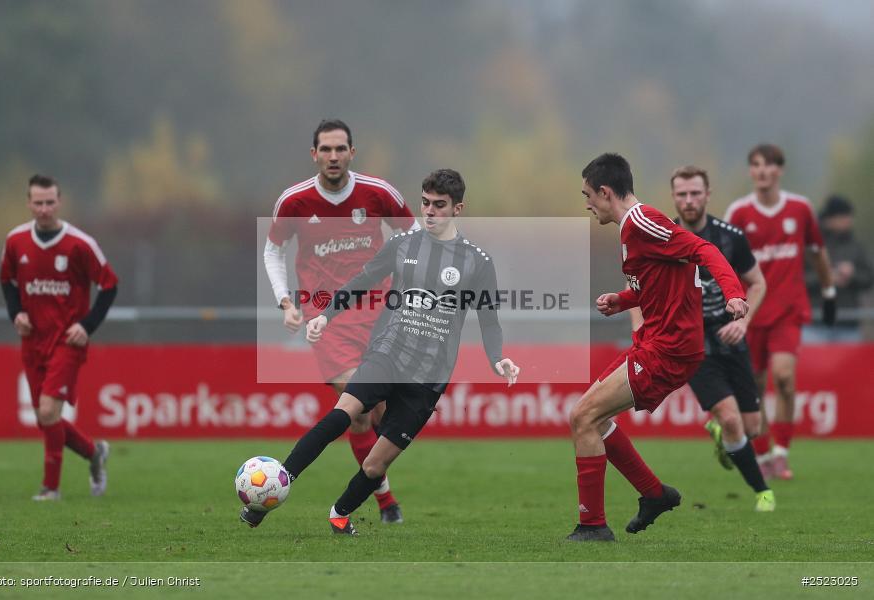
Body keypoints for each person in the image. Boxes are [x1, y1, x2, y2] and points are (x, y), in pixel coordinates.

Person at [244, 168, 520, 533]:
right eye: (425, 203)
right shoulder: (402, 244)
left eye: (440, 205)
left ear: (458, 208)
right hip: (387, 354)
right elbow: (361, 281)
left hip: (427, 379)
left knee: (375, 466)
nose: (430, 212)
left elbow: (489, 320)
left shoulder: (477, 262)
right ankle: (277, 484)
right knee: (343, 414)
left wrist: (497, 357)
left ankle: (339, 515)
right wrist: (326, 316)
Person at [568, 154, 748, 542]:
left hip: (669, 349)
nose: (587, 204)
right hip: (658, 343)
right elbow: (660, 283)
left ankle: (593, 526)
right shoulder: (632, 229)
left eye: (588, 196)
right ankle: (653, 494)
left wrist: (734, 294)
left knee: (582, 417)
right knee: (591, 419)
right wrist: (622, 300)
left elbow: (705, 250)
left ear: (605, 191)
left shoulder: (643, 221)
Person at [264, 119, 417, 523]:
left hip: (381, 312)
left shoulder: (379, 193)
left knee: (383, 413)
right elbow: (273, 252)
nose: (333, 156)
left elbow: (415, 235)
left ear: (352, 152)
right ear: (314, 154)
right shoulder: (294, 201)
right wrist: (286, 302)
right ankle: (385, 501)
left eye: (340, 149)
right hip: (326, 319)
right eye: (326, 150)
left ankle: (379, 492)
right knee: (358, 404)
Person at [0, 174, 118, 501]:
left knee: (49, 412)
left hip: (67, 340)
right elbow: (7, 280)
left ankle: (50, 488)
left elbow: (110, 285)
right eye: (38, 202)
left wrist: (87, 326)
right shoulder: (16, 241)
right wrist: (15, 314)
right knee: (44, 416)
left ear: (59, 202)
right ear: (29, 203)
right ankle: (94, 452)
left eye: (50, 202)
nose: (44, 209)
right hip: (32, 341)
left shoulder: (80, 244)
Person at [724, 144, 836, 480]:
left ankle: (782, 453)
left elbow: (818, 252)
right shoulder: (739, 213)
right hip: (751, 312)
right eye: (755, 165)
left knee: (784, 378)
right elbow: (721, 261)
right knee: (755, 386)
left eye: (768, 165)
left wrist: (829, 293)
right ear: (750, 171)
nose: (762, 171)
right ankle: (763, 454)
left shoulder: (800, 208)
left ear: (779, 171)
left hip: (788, 308)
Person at [667, 165, 774, 511]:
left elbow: (758, 283)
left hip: (731, 337)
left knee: (750, 427)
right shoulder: (662, 238)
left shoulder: (730, 236)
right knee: (731, 420)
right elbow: (634, 285)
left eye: (695, 193)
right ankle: (763, 492)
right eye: (682, 194)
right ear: (674, 197)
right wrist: (640, 329)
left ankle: (722, 434)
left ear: (708, 195)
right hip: (692, 340)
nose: (689, 200)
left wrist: (743, 324)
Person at [803, 195, 873, 343]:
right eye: (844, 216)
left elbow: (868, 278)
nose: (848, 220)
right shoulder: (810, 246)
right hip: (815, 324)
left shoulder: (856, 246)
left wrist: (852, 275)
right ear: (830, 218)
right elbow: (797, 280)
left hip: (848, 323)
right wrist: (825, 278)